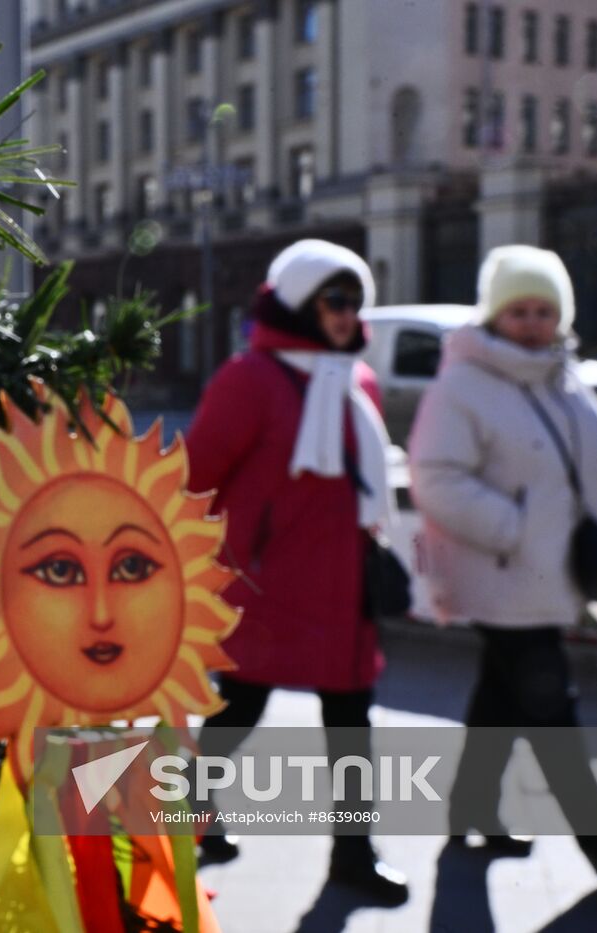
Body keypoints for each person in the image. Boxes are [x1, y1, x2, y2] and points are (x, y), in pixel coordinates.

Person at [408, 244, 597, 876]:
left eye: (545, 310)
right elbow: (434, 475)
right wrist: (512, 527)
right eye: (518, 310)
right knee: (551, 699)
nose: (533, 322)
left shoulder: (565, 379)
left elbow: (591, 482)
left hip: (554, 573)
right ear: (493, 314)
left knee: (501, 695)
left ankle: (470, 813)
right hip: (501, 571)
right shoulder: (465, 383)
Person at [186, 239, 407, 904]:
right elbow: (193, 477)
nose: (345, 315)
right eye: (332, 300)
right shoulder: (248, 377)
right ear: (296, 300)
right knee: (238, 711)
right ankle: (194, 821)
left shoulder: (355, 377)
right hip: (265, 584)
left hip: (344, 585)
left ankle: (354, 854)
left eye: (353, 301)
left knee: (351, 724)